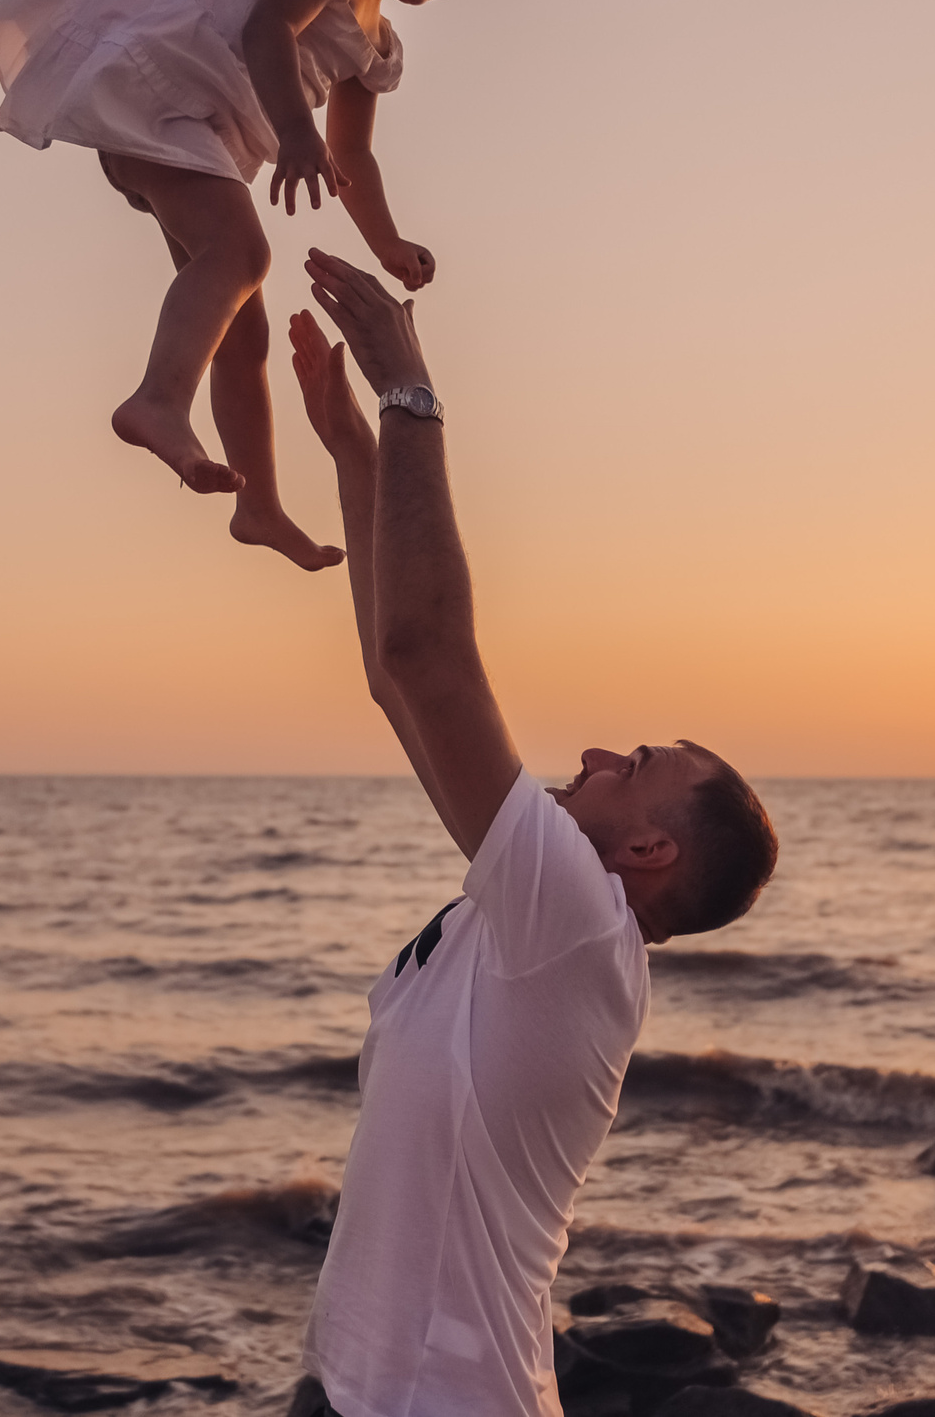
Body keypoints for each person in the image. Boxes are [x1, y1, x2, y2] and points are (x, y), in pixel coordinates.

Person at [280, 250, 780, 1417]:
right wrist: (356, 454)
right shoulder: (523, 923)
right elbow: (392, 682)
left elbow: (428, 658)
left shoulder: (578, 926)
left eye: (639, 765)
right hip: (361, 1389)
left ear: (650, 852)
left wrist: (410, 394)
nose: (601, 752)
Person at [0, 0, 514, 569]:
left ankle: (257, 505)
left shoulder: (378, 49)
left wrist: (388, 243)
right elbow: (269, 28)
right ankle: (157, 399)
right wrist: (295, 133)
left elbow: (356, 159)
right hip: (164, 91)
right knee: (242, 258)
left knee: (244, 326)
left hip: (205, 132)